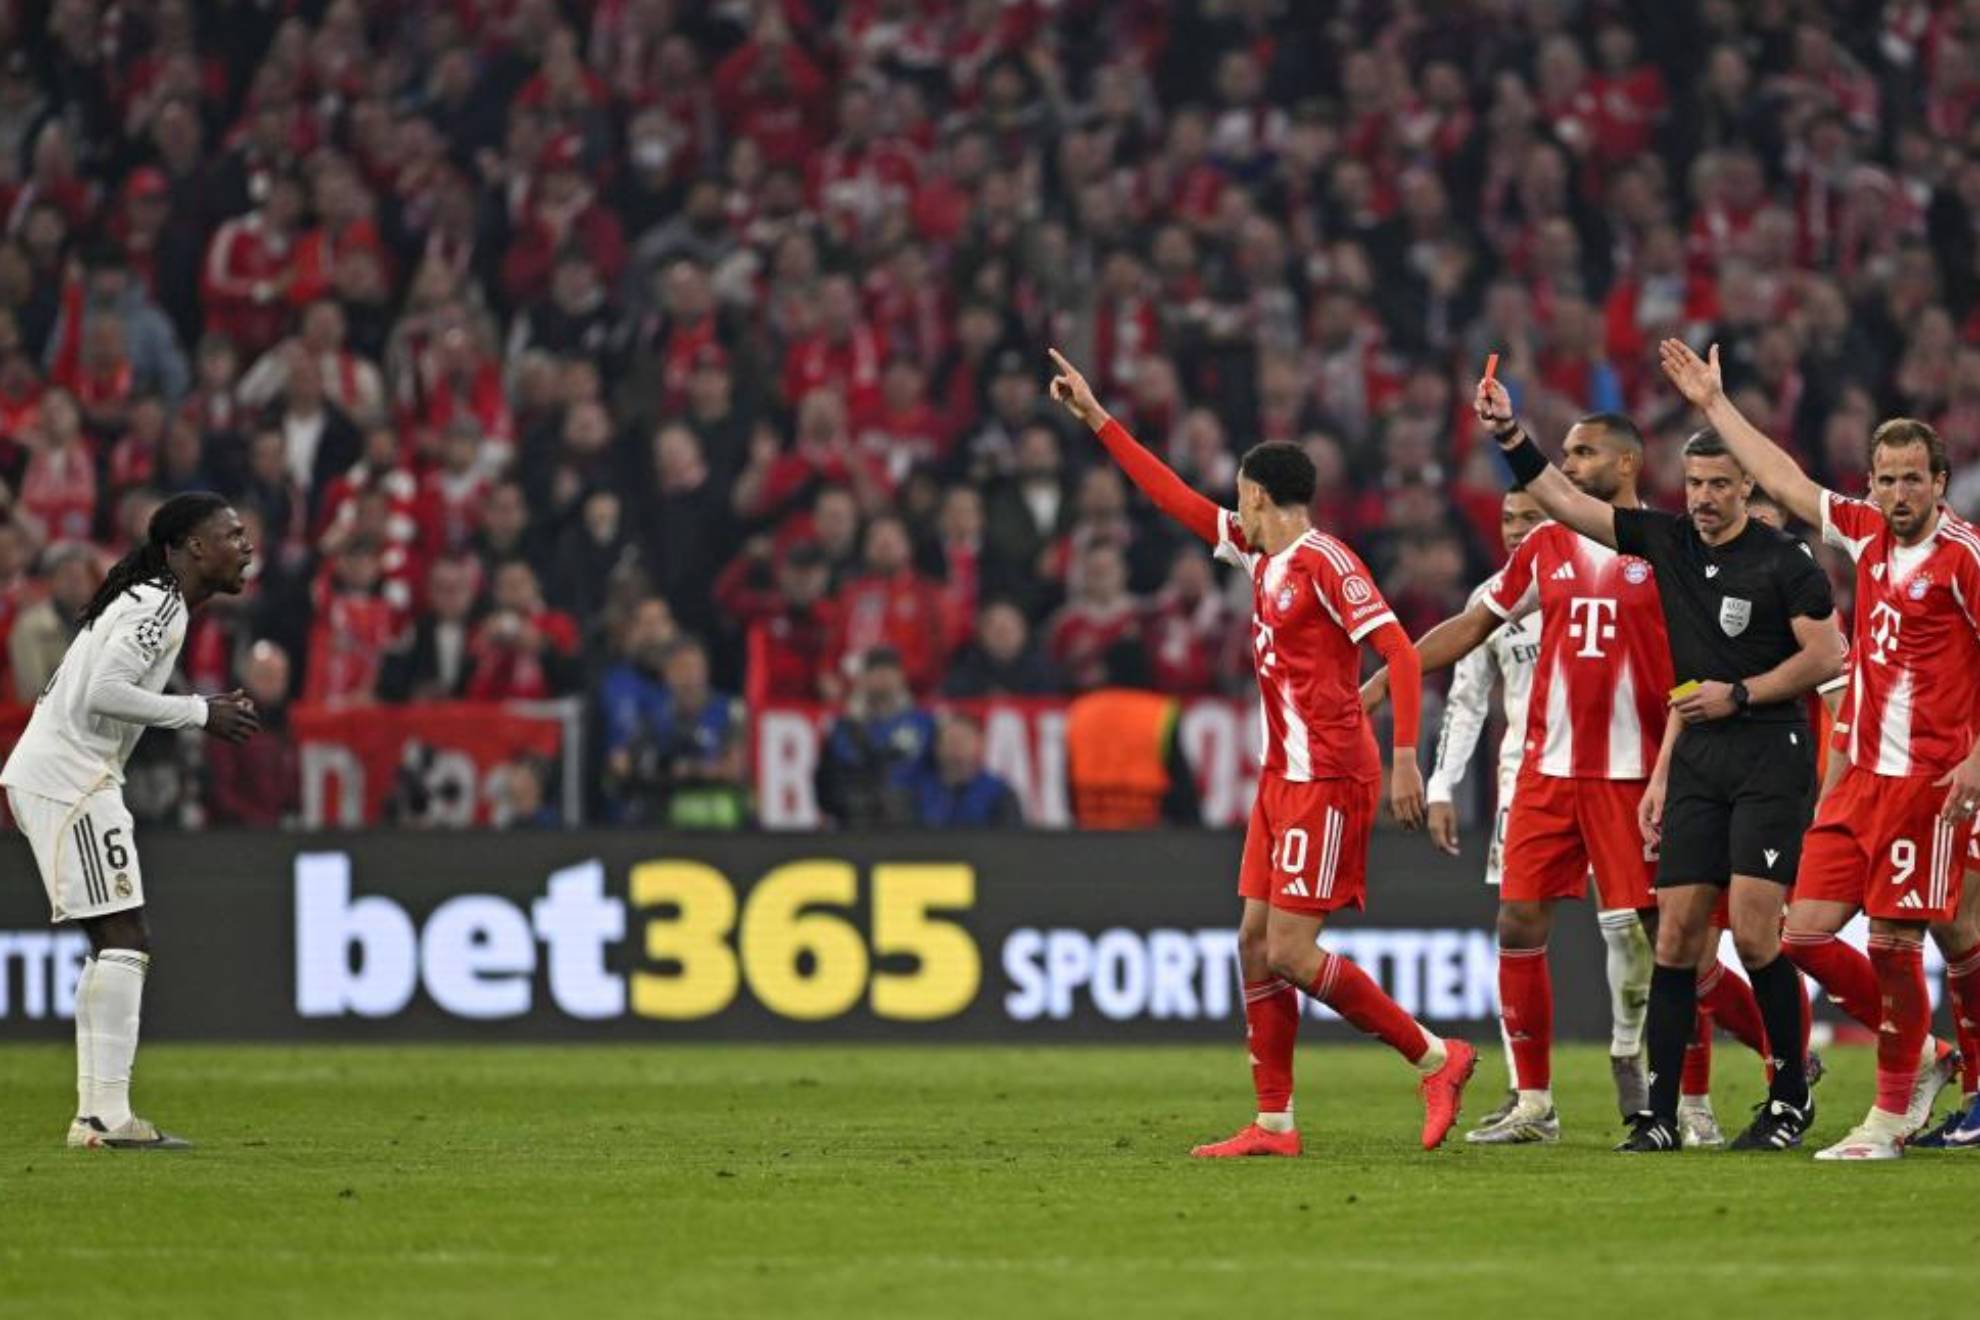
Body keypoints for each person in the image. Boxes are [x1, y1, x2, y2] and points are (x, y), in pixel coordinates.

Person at [1047, 347, 1476, 1157]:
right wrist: (1098, 418)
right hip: (1282, 778)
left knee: (1289, 948)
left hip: (1330, 776)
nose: (1227, 507)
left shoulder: (1325, 561)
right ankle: (1275, 1122)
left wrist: (1409, 758)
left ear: (1256, 494)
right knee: (1252, 940)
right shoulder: (1260, 551)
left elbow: (1404, 652)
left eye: (1237, 495)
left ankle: (1435, 1056)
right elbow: (1169, 495)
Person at [1366, 410, 1774, 1147]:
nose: (1569, 463)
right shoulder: (1545, 546)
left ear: (1623, 466)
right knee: (1518, 921)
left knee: (1675, 942)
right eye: (1566, 452)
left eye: (1582, 453)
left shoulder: (1669, 547)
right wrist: (1388, 672)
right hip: (1549, 771)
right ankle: (1534, 1103)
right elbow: (1471, 627)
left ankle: (1733, 1082)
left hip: (1633, 775)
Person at [1484, 370, 1845, 1154]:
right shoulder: (1672, 542)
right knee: (1676, 937)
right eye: (1696, 483)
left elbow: (1827, 653)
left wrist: (1741, 694)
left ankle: (1789, 1096)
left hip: (1771, 754)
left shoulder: (1786, 563)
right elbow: (1570, 502)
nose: (1706, 496)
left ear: (1748, 487)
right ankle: (1658, 1113)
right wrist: (1511, 436)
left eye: (1720, 483)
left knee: (1752, 938)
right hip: (1699, 761)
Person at [1661, 338, 1980, 1160]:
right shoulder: (1867, 535)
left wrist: (1976, 763)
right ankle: (1923, 1058)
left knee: (1900, 943)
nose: (1900, 491)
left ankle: (1887, 1115)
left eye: (1915, 477)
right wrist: (1714, 407)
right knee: (1799, 935)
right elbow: (1785, 482)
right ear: (1872, 482)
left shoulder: (1964, 558)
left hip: (1930, 778)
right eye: (1888, 477)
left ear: (1940, 483)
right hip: (1861, 777)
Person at [0, 492, 259, 1149]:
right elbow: (103, 693)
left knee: (118, 938)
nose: (246, 545)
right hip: (71, 776)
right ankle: (105, 1117)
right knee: (126, 935)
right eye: (232, 534)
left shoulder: (150, 599)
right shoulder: (158, 603)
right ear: (195, 547)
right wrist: (201, 712)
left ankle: (98, 1116)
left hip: (64, 773)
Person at [1424, 488, 1656, 1123]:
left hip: (1618, 768)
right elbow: (1467, 699)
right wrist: (1442, 782)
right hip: (1529, 778)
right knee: (1518, 923)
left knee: (1635, 928)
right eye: (1506, 520)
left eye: (1530, 518)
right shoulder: (1494, 598)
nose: (1517, 531)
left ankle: (1633, 1053)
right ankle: (1527, 1095)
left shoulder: (1600, 572)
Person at [814, 646, 936, 828]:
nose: (883, 677)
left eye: (889, 671)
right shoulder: (843, 729)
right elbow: (826, 783)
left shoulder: (924, 724)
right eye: (875, 671)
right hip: (855, 822)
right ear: (862, 679)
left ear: (901, 677)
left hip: (910, 824)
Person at [204, 640, 299, 827]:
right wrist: (261, 822)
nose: (271, 684)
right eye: (264, 675)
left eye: (278, 677)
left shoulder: (288, 725)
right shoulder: (229, 721)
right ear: (247, 677)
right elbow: (221, 792)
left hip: (280, 831)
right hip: (237, 835)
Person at [912, 713, 1024, 828]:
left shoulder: (1001, 794)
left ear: (980, 744)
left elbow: (1013, 840)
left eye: (963, 740)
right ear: (936, 747)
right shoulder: (917, 791)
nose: (956, 746)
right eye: (950, 740)